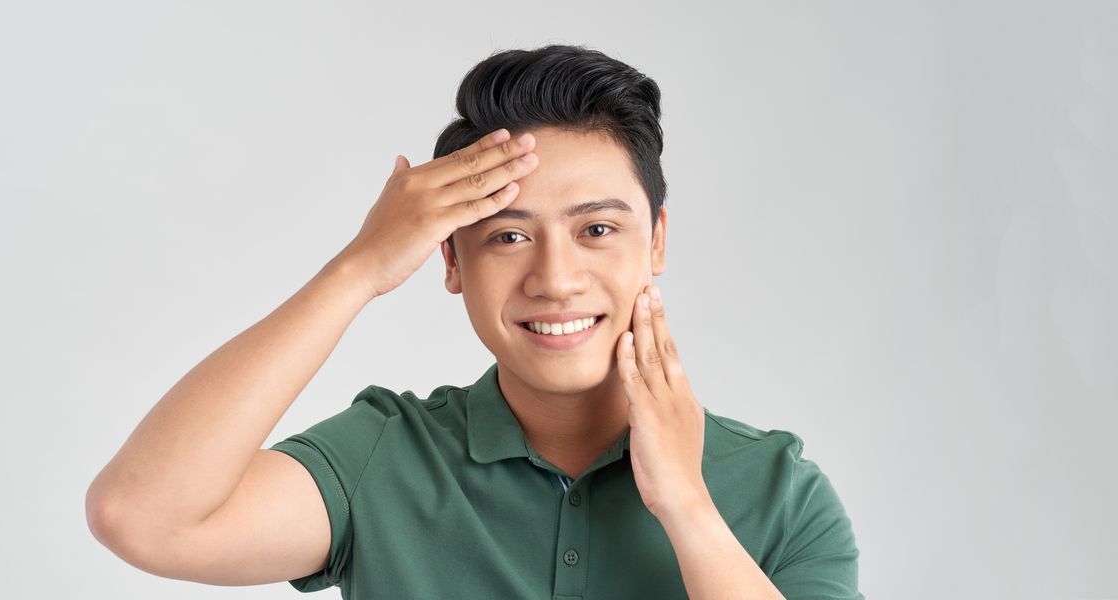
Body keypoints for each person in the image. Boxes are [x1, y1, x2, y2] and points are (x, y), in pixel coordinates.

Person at [85, 44, 862, 599]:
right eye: (509, 236)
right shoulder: (385, 459)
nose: (556, 279)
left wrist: (688, 508)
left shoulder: (778, 491)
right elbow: (142, 519)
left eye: (597, 229)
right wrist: (357, 270)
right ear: (449, 263)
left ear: (655, 241)